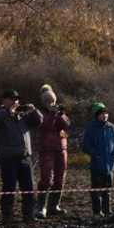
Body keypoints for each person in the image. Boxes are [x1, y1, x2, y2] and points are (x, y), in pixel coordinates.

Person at [0, 90, 42, 224]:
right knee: (9, 188)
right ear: (4, 100)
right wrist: (7, 112)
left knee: (28, 189)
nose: (15, 102)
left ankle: (29, 216)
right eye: (12, 99)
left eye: (17, 99)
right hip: (8, 158)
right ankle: (7, 217)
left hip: (25, 158)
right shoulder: (0, 115)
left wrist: (33, 110)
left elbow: (39, 121)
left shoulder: (23, 116)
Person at [35, 84, 72, 217]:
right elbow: (45, 125)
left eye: (53, 101)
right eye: (49, 102)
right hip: (47, 149)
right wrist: (52, 114)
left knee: (60, 179)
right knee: (46, 178)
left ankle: (54, 205)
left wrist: (60, 114)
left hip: (61, 149)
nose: (51, 104)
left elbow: (67, 125)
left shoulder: (58, 112)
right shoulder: (40, 114)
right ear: (44, 102)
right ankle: (40, 207)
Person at [82, 101, 114, 219]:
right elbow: (85, 146)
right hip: (96, 165)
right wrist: (95, 154)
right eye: (101, 113)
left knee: (107, 189)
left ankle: (107, 210)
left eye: (106, 113)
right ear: (96, 115)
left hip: (109, 166)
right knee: (96, 189)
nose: (105, 115)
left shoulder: (111, 127)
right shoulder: (91, 128)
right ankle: (97, 212)